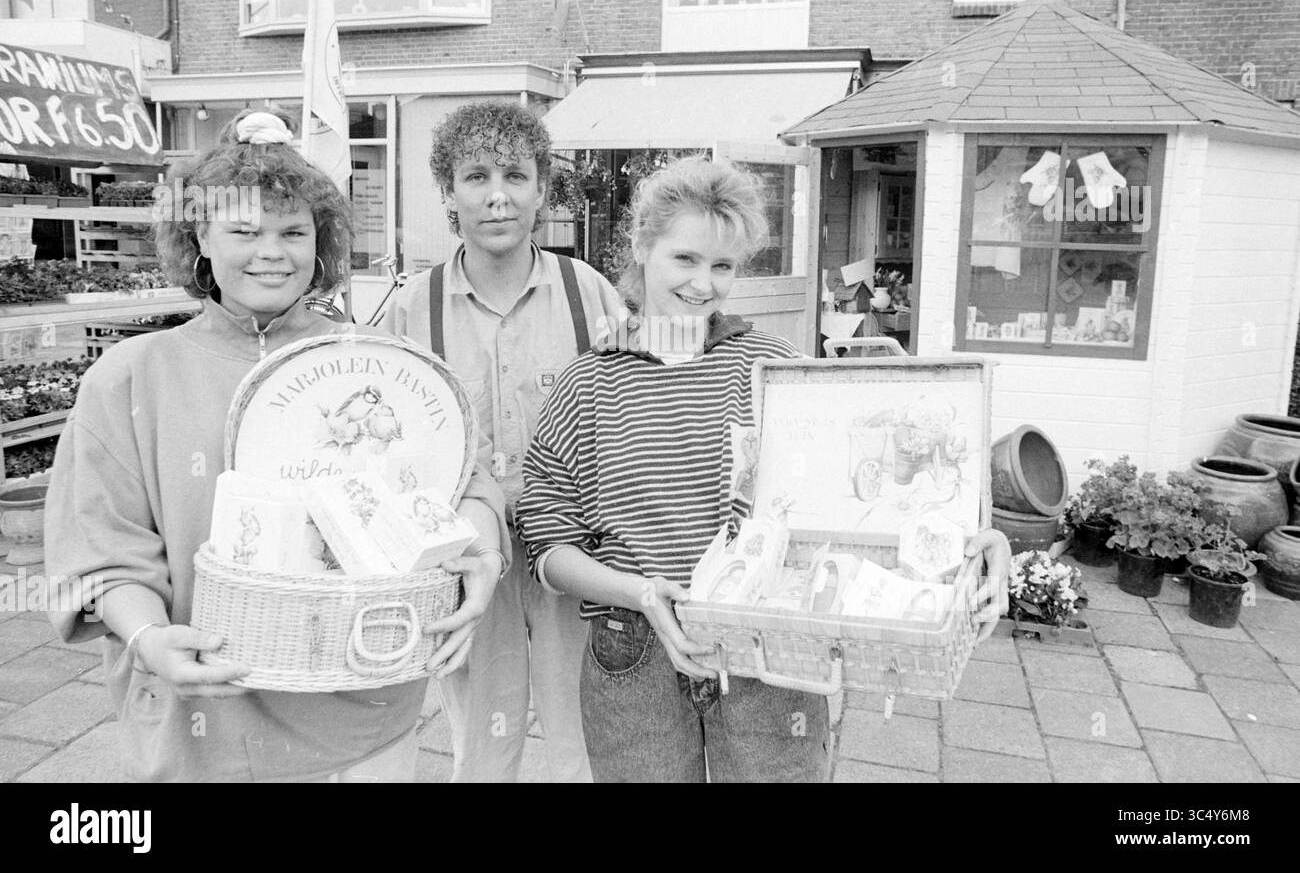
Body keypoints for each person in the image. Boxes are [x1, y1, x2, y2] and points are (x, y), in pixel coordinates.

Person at [43, 109, 509, 782]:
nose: (272, 251)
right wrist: (148, 636)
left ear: (321, 243)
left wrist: (482, 552)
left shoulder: (377, 361)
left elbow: (464, 477)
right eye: (243, 231)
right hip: (205, 717)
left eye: (294, 231)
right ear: (198, 237)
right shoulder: (130, 377)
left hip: (364, 711)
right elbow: (103, 546)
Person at [515, 156, 1011, 782]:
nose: (703, 284)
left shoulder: (776, 372)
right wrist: (641, 592)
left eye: (722, 266)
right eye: (685, 259)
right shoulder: (589, 383)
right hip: (632, 653)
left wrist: (967, 534)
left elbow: (860, 494)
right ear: (643, 249)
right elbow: (548, 544)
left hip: (771, 650)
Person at [381, 101, 622, 783]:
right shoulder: (410, 308)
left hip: (571, 553)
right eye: (475, 177)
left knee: (586, 738)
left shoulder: (589, 294)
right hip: (462, 558)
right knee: (482, 746)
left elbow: (628, 412)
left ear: (542, 189)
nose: (496, 196)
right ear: (448, 194)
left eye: (515, 176)